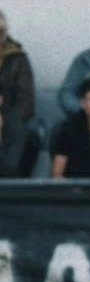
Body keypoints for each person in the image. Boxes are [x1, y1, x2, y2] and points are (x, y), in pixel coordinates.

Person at [0, 9, 35, 178]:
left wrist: (4, 118)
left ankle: (8, 179)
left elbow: (26, 101)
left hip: (10, 117)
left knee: (18, 129)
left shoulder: (18, 59)